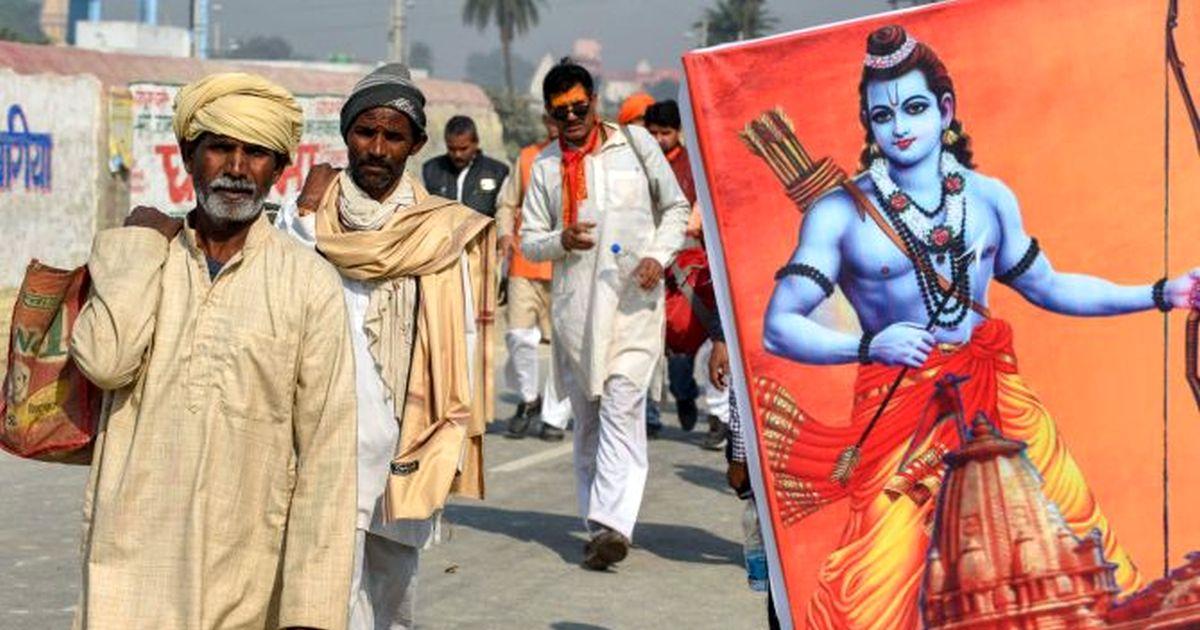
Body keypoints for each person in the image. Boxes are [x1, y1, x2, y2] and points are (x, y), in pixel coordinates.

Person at [762, 25, 1200, 628]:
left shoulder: (989, 198)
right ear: (868, 124)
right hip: (903, 412)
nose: (900, 127)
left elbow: (1048, 285)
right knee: (870, 587)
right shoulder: (839, 214)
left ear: (945, 110)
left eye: (915, 108)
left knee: (1077, 540)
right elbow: (778, 327)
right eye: (883, 115)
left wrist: (1160, 293)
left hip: (996, 394)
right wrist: (869, 343)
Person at [69, 72, 357, 629]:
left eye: (256, 153)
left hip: (246, 573)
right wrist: (137, 246)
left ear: (280, 168)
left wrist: (311, 613)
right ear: (188, 156)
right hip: (131, 568)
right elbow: (106, 362)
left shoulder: (308, 283)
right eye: (220, 147)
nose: (237, 168)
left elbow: (328, 456)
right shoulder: (145, 258)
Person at [277, 63, 495, 630]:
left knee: (395, 592)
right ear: (346, 133)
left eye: (393, 136)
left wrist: (447, 432)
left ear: (415, 145)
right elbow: (276, 293)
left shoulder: (438, 230)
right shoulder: (304, 216)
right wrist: (305, 215)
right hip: (324, 437)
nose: (376, 149)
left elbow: (460, 341)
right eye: (364, 132)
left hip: (404, 434)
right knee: (331, 591)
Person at [520, 59, 690, 570]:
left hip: (634, 307)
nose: (572, 118)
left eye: (579, 107)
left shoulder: (636, 146)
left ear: (594, 102)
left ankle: (613, 524)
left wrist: (658, 256)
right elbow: (530, 240)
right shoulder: (546, 167)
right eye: (561, 112)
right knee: (590, 424)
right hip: (577, 315)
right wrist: (561, 239)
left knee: (621, 405)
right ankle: (598, 526)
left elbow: (676, 208)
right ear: (549, 115)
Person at [643, 99, 731, 448]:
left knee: (714, 339)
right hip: (653, 267)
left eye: (665, 133)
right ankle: (680, 395)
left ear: (678, 132)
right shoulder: (639, 166)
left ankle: (719, 417)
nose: (659, 139)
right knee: (671, 344)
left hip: (697, 267)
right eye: (652, 133)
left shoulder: (695, 165)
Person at [496, 114, 573, 440]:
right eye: (551, 117)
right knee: (518, 336)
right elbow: (506, 203)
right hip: (525, 263)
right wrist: (504, 234)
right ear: (544, 119)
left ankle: (555, 417)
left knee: (563, 347)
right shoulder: (529, 157)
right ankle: (529, 398)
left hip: (567, 267)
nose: (557, 124)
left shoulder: (586, 161)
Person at [422, 115, 509, 217]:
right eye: (452, 149)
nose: (457, 155)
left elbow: (504, 213)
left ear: (476, 143)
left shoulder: (497, 172)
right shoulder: (431, 170)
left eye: (463, 149)